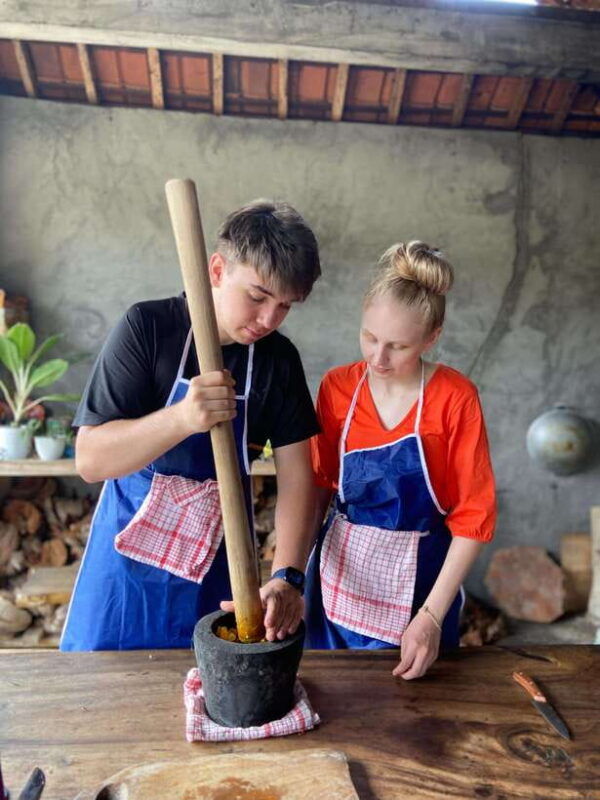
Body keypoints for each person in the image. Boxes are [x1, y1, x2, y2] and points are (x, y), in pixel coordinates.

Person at [60, 200, 320, 651]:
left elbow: (300, 478)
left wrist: (287, 576)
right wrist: (181, 419)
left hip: (219, 569)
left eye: (284, 307)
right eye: (257, 297)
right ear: (216, 270)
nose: (268, 320)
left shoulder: (279, 361)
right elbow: (91, 459)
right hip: (123, 579)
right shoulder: (149, 328)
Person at [305, 241, 496, 679]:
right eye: (369, 337)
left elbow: (473, 516)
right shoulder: (338, 389)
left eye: (398, 346)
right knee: (330, 692)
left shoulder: (454, 399)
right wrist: (291, 576)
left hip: (421, 585)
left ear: (432, 338)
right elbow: (318, 487)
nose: (378, 357)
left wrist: (430, 617)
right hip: (339, 577)